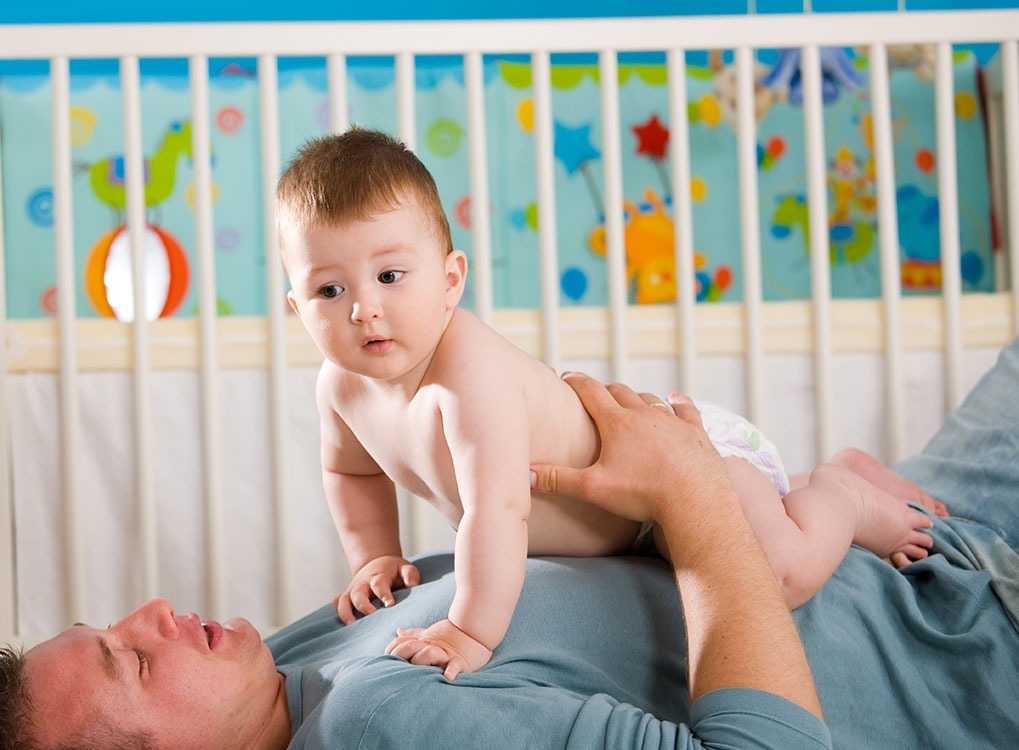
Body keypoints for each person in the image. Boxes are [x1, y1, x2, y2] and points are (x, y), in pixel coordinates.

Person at [6, 335, 1019, 747]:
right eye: (129, 662)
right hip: (971, 641)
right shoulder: (380, 732)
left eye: (113, 623)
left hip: (921, 538)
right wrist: (688, 492)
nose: (150, 614)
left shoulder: (278, 672)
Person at [275, 127, 942, 677]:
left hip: (684, 464)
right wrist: (373, 557)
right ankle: (793, 488)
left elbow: (498, 511)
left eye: (391, 275)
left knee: (781, 574)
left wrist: (469, 631)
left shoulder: (466, 375)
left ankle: (839, 492)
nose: (365, 308)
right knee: (732, 540)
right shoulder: (339, 390)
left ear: (450, 281)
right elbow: (351, 472)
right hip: (636, 530)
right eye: (329, 291)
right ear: (294, 307)